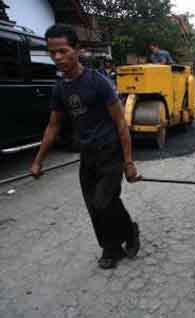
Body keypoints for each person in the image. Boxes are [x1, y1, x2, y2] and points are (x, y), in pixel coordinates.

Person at [30, 24, 141, 270]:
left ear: (77, 50)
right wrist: (38, 160)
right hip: (88, 154)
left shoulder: (98, 83)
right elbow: (53, 125)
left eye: (63, 51)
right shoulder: (60, 89)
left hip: (111, 152)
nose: (57, 57)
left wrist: (129, 162)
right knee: (95, 205)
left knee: (104, 201)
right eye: (52, 52)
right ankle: (111, 248)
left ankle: (130, 232)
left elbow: (121, 123)